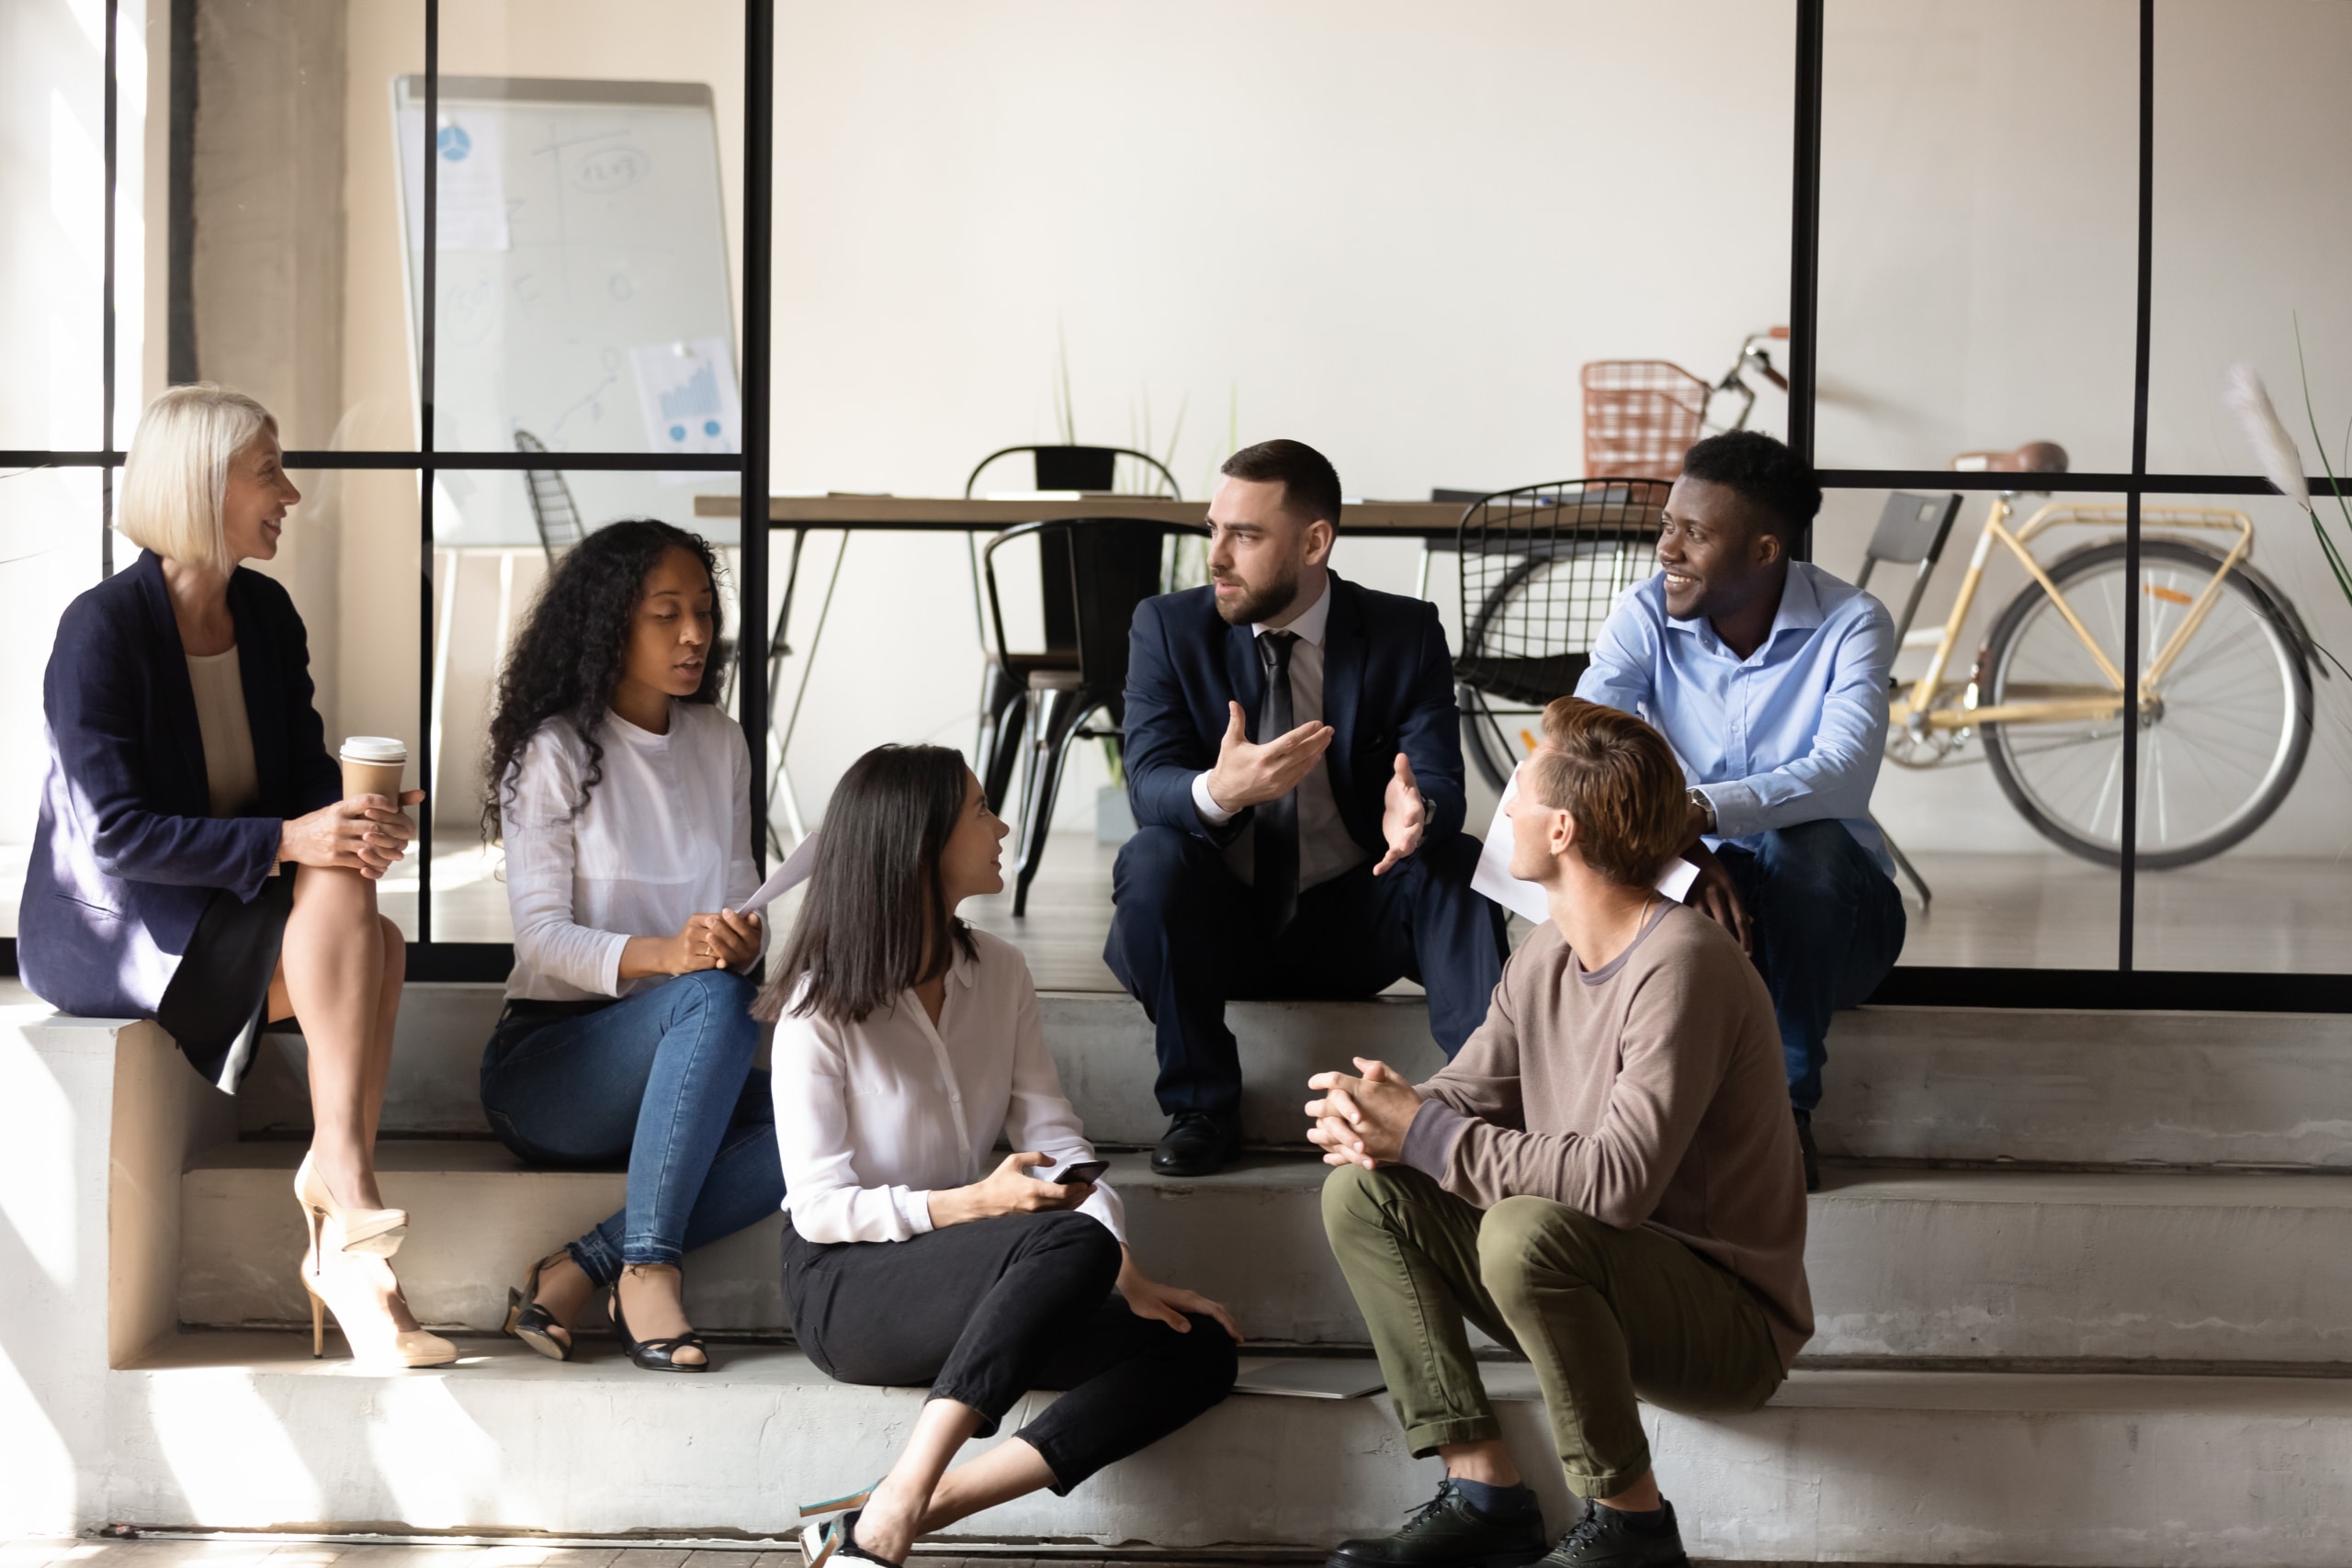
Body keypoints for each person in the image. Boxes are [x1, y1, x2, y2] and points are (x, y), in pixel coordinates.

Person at [1308, 697, 1812, 1568]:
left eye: (1519, 792)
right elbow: (1466, 1094)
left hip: (1725, 1322)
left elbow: (1619, 1182)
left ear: (1564, 830)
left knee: (1523, 1228)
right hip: (1596, 1280)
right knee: (1363, 1192)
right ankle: (1485, 1491)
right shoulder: (1547, 949)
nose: (1502, 808)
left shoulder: (1682, 963)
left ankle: (1632, 1524)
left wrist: (1422, 1130)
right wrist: (1381, 1111)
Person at [18, 383, 447, 1369]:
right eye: (268, 469)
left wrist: (360, 817)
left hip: (227, 897)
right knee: (364, 933)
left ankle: (342, 1193)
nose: (288, 492)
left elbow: (298, 785)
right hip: (118, 924)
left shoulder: (266, 614)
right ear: (201, 484)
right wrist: (296, 841)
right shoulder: (101, 632)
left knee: (368, 923)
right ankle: (343, 1196)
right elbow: (115, 835)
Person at [765, 744, 1239, 1567]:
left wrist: (1120, 1269)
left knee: (1198, 1342)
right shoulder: (817, 1007)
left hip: (982, 1271)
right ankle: (904, 1497)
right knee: (1073, 1242)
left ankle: (902, 1505)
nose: (1003, 825)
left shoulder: (1002, 972)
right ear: (919, 842)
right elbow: (817, 1205)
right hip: (847, 1283)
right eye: (981, 810)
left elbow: (1056, 1143)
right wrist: (970, 1204)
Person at [1107, 438, 1507, 1178]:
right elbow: (1150, 782)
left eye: (1245, 535)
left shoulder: (1402, 630)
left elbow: (1442, 782)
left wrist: (1414, 811)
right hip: (1222, 923)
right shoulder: (1166, 628)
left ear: (1315, 541)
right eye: (1213, 530)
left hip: (1356, 916)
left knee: (1457, 863)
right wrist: (1221, 791)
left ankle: (1484, 1111)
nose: (1217, 557)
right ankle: (1201, 1107)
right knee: (1152, 856)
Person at [480, 520, 781, 1372]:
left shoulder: (720, 742)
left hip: (686, 1061)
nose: (695, 633)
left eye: (704, 610)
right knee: (711, 995)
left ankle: (582, 1265)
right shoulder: (552, 752)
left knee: (821, 1114)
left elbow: (737, 895)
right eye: (666, 613)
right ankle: (650, 1264)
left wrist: (741, 936)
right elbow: (540, 936)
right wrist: (670, 954)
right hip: (551, 1068)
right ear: (610, 623)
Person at [1575, 430, 1904, 1189]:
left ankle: (1786, 1114)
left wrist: (1699, 812)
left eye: (1695, 533)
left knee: (1805, 843)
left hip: (1839, 925)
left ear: (1763, 551)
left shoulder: (1852, 622)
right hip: (1703, 894)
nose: (1668, 549)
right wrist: (1680, 849)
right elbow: (1583, 746)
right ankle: (1616, 1116)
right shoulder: (1644, 613)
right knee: (1581, 851)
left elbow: (1843, 774)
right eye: (1668, 525)